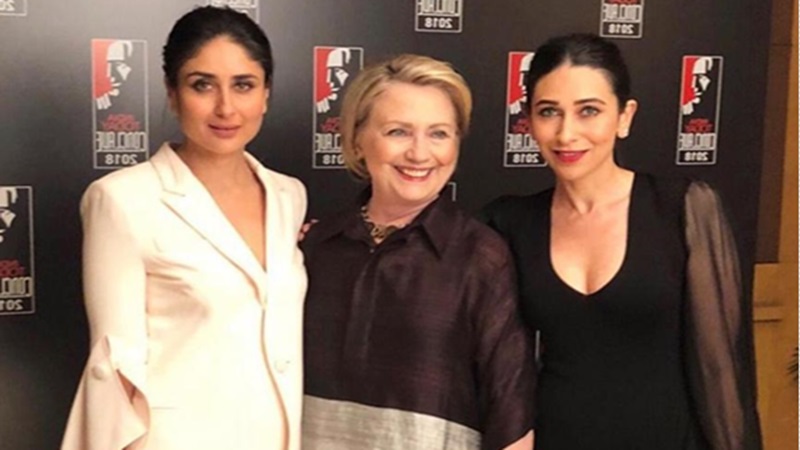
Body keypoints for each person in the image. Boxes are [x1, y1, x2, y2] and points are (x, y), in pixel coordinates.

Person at [482, 33, 762, 450]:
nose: (566, 133)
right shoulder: (509, 221)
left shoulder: (684, 208)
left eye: (589, 111)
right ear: (529, 120)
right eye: (548, 112)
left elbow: (723, 372)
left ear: (624, 116)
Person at [62, 6, 307, 450]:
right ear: (172, 94)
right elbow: (115, 373)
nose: (226, 107)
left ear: (266, 94)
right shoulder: (122, 200)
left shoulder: (288, 196)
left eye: (244, 85)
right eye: (202, 85)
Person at [301, 54, 535, 450]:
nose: (420, 153)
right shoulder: (314, 249)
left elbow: (510, 417)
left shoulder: (481, 258)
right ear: (357, 139)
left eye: (439, 134)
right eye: (398, 131)